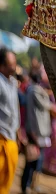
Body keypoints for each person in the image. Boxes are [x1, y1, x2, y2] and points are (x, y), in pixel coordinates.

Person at [0, 49, 18, 194]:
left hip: (11, 138)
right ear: (2, 65)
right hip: (1, 138)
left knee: (7, 181)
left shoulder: (12, 82)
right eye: (11, 62)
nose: (14, 65)